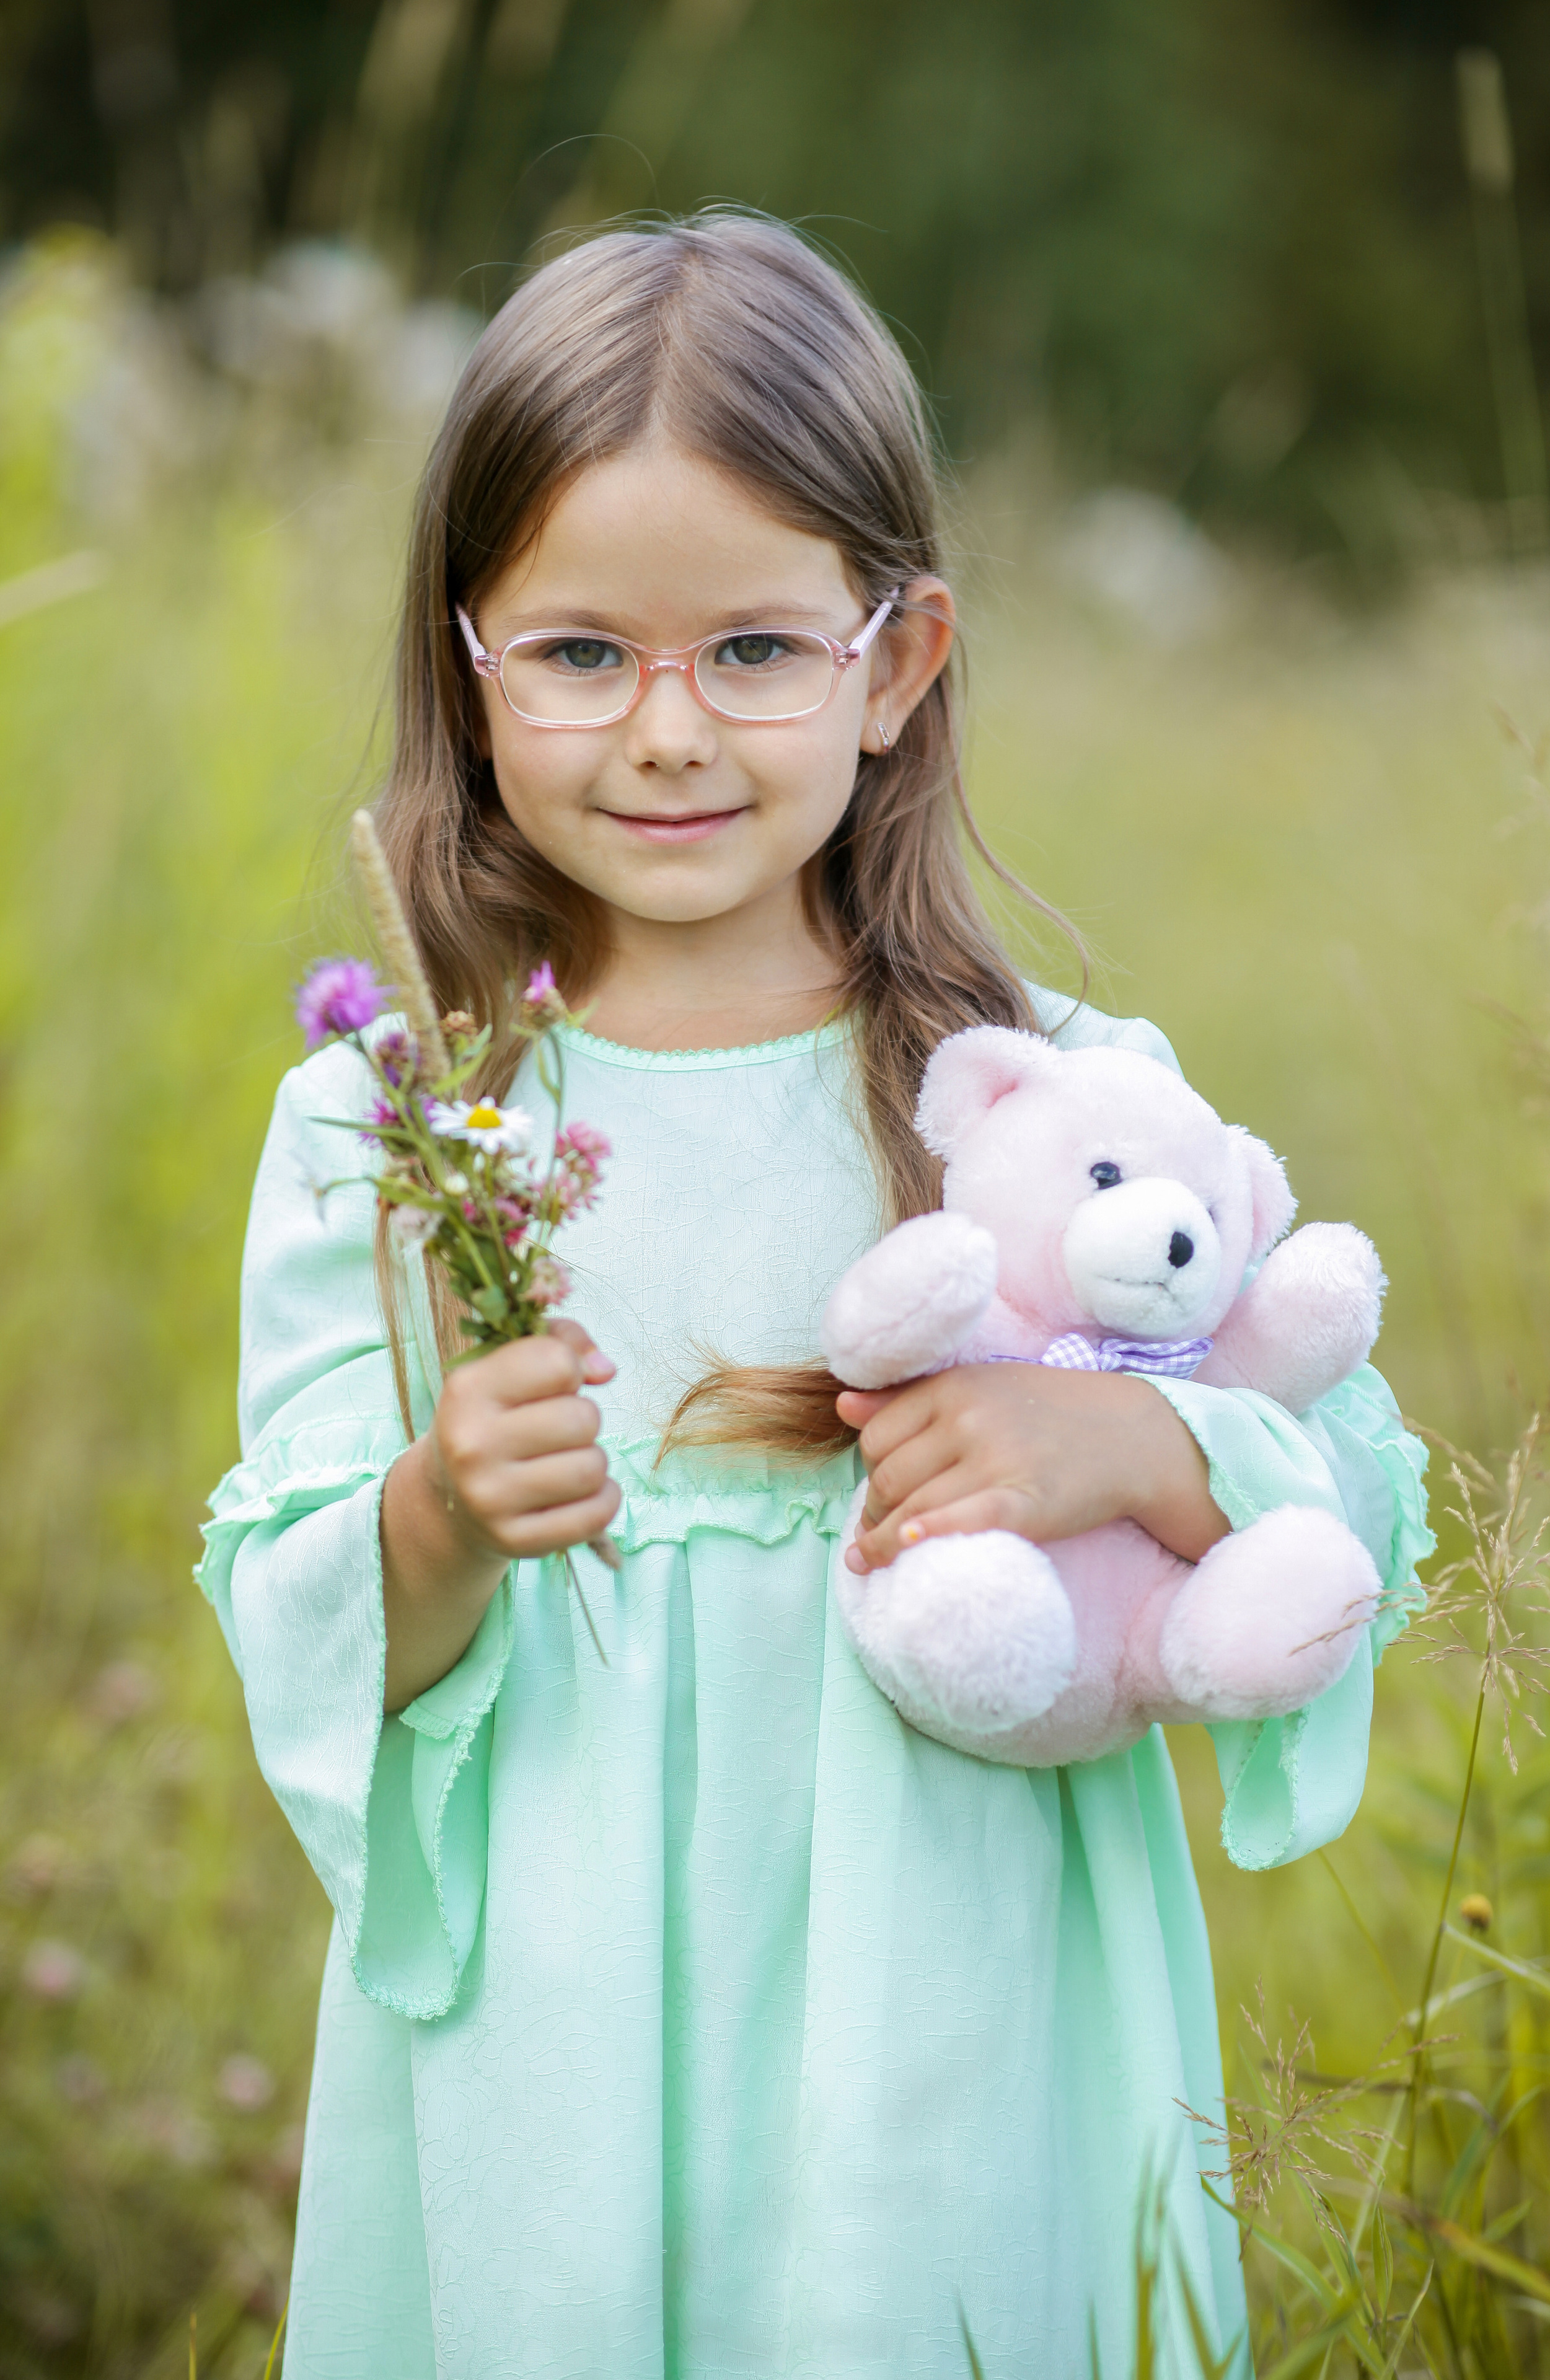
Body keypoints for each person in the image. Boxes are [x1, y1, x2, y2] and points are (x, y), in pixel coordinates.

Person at [199, 213, 1432, 2379]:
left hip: (948, 2020)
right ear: (467, 655)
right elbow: (307, 1624)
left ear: (899, 659)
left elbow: (1354, 1501)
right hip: (559, 2040)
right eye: (580, 652)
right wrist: (437, 1512)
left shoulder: (1049, 1104)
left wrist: (1131, 1445)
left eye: (754, 650)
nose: (667, 731)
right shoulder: (397, 1128)